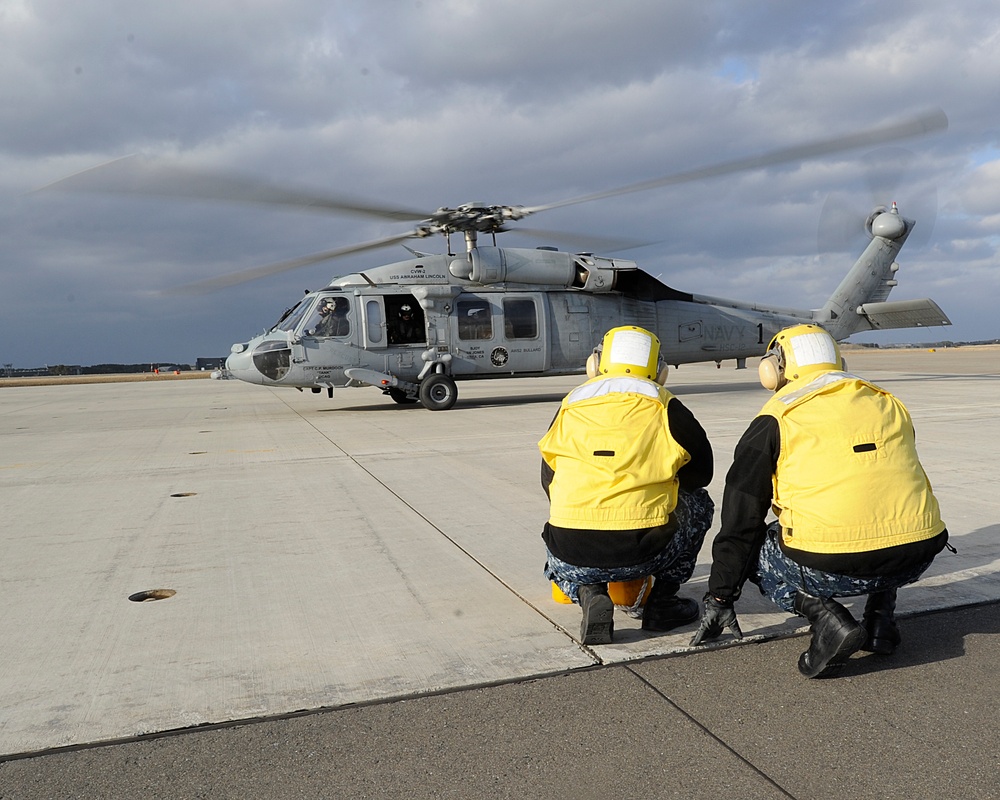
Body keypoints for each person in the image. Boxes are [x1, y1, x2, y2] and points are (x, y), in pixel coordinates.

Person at [691, 323, 949, 678]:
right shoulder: (887, 402)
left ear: (776, 368)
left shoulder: (776, 418)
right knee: (882, 510)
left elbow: (741, 520)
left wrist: (720, 597)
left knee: (755, 549)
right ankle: (880, 621)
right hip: (916, 557)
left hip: (831, 566)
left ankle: (826, 618)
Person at [538, 325, 715, 645]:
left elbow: (547, 480)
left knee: (562, 518)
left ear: (596, 364)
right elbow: (702, 475)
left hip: (570, 554)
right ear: (660, 371)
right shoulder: (665, 404)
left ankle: (589, 592)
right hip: (647, 551)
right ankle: (663, 603)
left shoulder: (570, 403)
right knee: (700, 503)